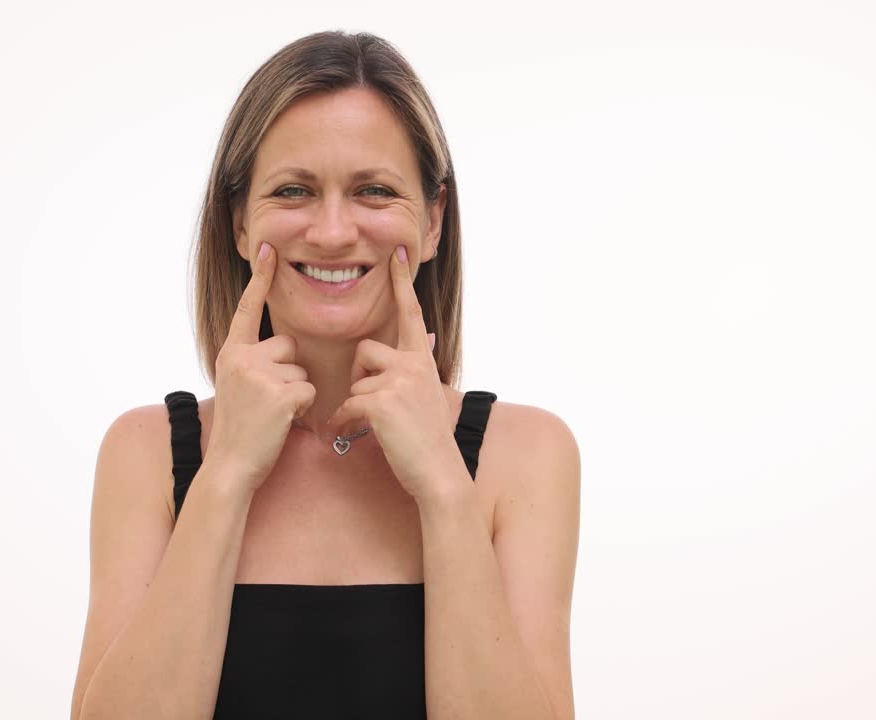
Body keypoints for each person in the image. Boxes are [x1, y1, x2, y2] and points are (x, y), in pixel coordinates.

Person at [70, 30, 581, 720]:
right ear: (240, 225)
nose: (335, 232)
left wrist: (440, 483)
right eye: (293, 191)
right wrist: (225, 477)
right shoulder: (146, 452)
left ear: (433, 221)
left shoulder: (526, 455)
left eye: (374, 190)